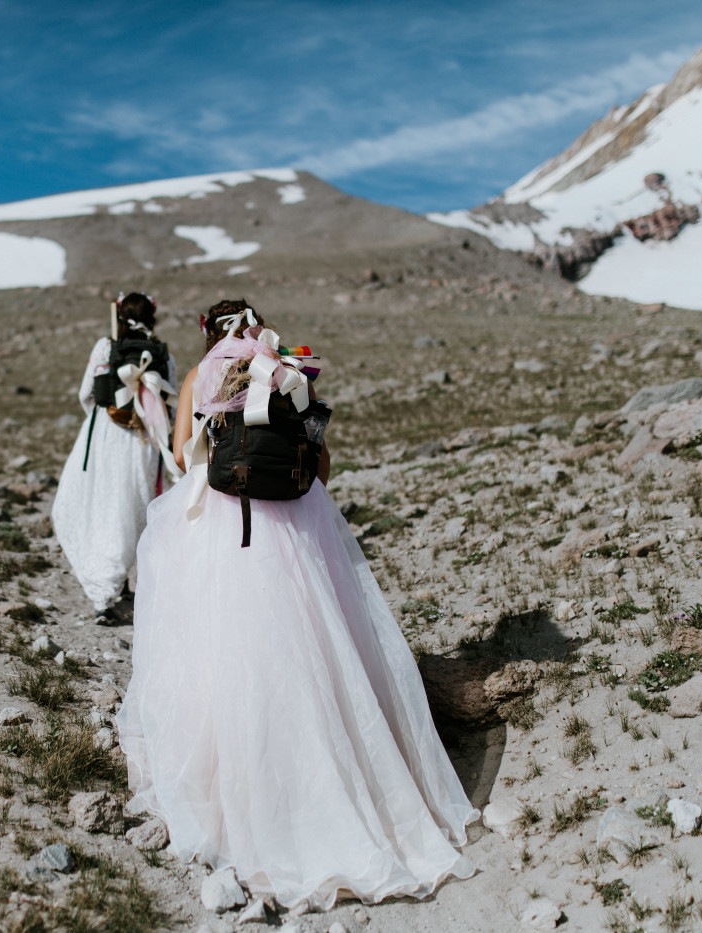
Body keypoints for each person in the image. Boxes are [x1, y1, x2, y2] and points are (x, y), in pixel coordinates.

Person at [115, 300, 477, 910]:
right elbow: (322, 460)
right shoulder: (286, 370)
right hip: (295, 523)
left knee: (237, 653)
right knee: (317, 645)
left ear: (210, 336)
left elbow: (182, 458)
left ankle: (248, 804)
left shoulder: (205, 376)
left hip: (230, 528)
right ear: (256, 327)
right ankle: (348, 787)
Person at [52, 292, 179, 622]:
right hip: (143, 438)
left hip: (106, 436)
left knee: (103, 505)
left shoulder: (105, 347)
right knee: (132, 507)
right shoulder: (163, 354)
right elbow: (171, 403)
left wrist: (101, 416)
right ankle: (122, 584)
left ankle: (103, 594)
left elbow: (86, 392)